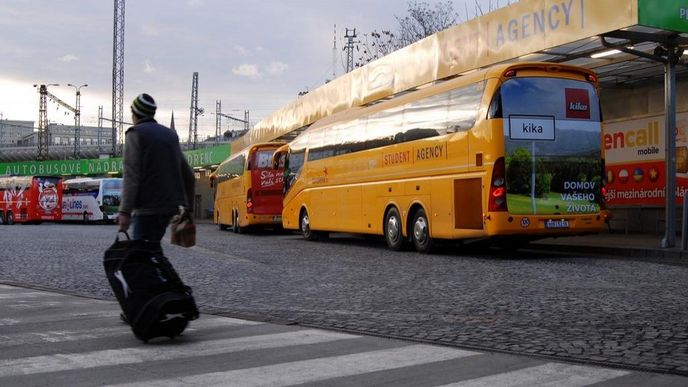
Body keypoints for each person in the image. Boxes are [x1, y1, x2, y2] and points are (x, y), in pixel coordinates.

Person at [116, 93, 195, 241]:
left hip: (147, 208)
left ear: (135, 114)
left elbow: (131, 177)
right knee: (152, 248)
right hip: (170, 208)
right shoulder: (170, 135)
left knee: (141, 255)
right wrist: (188, 208)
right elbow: (188, 175)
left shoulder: (135, 134)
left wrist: (125, 212)